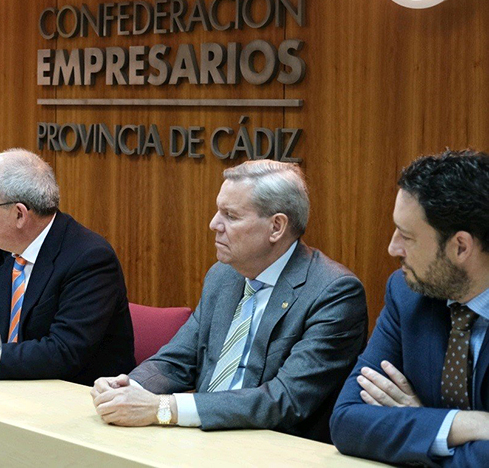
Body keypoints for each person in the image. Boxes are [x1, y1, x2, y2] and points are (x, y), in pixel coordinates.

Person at [91, 160, 367, 443]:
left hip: (271, 449)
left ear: (276, 227)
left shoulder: (334, 293)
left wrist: (164, 409)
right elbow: (177, 359)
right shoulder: (224, 275)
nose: (214, 224)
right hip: (202, 439)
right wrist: (125, 387)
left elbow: (284, 400)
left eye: (230, 216)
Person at [0, 149, 134, 386]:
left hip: (75, 399)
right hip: (11, 389)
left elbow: (62, 352)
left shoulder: (89, 259)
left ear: (19, 214)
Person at [330, 150, 489, 466]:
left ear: (460, 247)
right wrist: (459, 423)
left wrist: (421, 432)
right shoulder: (407, 293)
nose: (392, 248)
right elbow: (347, 421)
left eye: (406, 236)